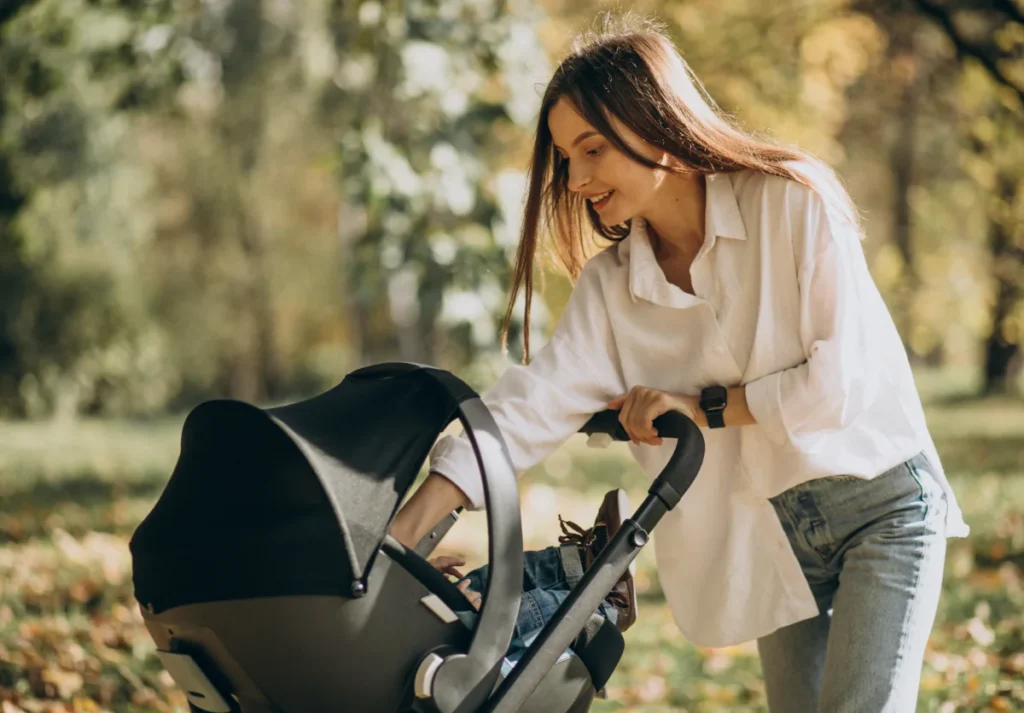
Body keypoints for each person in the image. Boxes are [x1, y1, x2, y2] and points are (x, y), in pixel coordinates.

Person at [391, 12, 969, 713]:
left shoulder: (793, 202)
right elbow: (527, 407)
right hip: (772, 539)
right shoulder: (612, 289)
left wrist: (704, 406)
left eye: (592, 149)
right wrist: (401, 535)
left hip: (882, 507)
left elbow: (838, 383)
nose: (574, 179)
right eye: (565, 157)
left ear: (654, 123)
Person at [427, 489, 636, 667]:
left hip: (412, 623)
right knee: (497, 615)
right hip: (441, 655)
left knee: (481, 583)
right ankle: (606, 606)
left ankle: (576, 566)